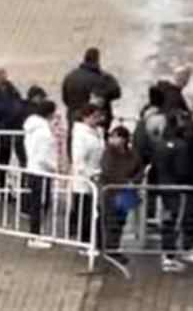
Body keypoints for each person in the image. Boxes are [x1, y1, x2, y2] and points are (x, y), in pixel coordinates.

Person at [155, 112, 193, 272]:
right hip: (179, 189)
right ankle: (173, 255)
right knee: (179, 220)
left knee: (169, 220)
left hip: (164, 187)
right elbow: (182, 170)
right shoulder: (181, 146)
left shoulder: (160, 144)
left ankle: (169, 254)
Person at [61, 47, 122, 151]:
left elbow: (65, 99)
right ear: (97, 60)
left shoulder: (70, 76)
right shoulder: (102, 78)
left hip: (74, 118)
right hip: (96, 121)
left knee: (75, 148)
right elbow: (117, 93)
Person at [100, 125, 143, 264]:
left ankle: (114, 247)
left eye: (116, 136)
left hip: (126, 193)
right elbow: (107, 171)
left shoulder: (133, 154)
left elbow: (140, 170)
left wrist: (134, 182)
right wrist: (125, 182)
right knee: (111, 221)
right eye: (112, 136)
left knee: (120, 222)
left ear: (124, 139)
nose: (113, 139)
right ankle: (109, 249)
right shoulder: (108, 153)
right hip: (111, 192)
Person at [22, 99, 60, 248]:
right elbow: (44, 157)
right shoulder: (44, 133)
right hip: (42, 172)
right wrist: (55, 167)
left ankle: (36, 234)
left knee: (36, 203)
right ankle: (35, 235)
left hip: (33, 168)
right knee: (40, 204)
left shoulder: (31, 128)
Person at [68, 104, 104, 245]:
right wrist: (90, 174)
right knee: (85, 213)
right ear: (85, 117)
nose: (97, 120)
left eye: (98, 116)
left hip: (96, 175)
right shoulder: (80, 135)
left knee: (95, 212)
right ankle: (85, 242)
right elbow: (79, 159)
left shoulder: (98, 132)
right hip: (84, 180)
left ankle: (94, 240)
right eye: (94, 117)